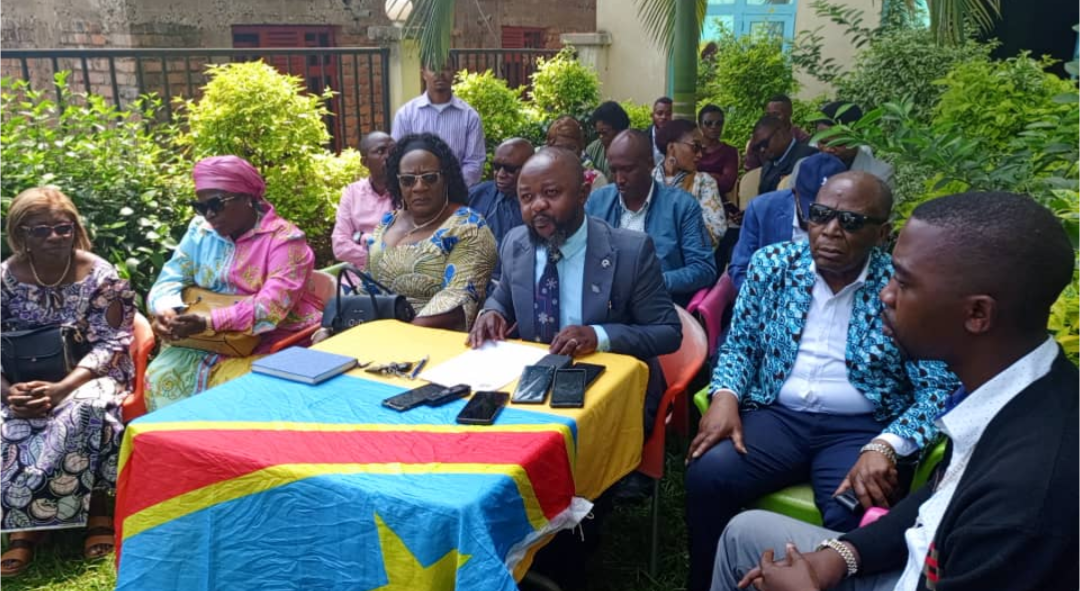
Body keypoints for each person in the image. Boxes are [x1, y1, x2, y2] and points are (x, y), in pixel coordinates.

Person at [711, 192, 1080, 591]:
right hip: (914, 558)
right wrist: (841, 555)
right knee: (744, 533)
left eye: (903, 282)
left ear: (977, 313)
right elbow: (936, 499)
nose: (885, 294)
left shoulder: (1027, 502)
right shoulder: (1008, 394)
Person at [684, 171, 959, 591]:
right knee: (708, 474)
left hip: (862, 429)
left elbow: (937, 389)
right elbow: (740, 345)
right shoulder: (772, 265)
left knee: (858, 506)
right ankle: (709, 581)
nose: (830, 230)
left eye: (850, 221)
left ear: (882, 233)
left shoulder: (899, 287)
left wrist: (887, 444)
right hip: (779, 416)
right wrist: (725, 395)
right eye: (820, 215)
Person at [467, 146, 680, 430]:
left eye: (551, 193)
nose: (537, 206)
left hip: (607, 386)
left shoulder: (630, 252)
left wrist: (598, 335)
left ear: (583, 194)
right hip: (531, 381)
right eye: (526, 197)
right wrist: (491, 313)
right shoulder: (516, 243)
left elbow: (668, 332)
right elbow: (503, 296)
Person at [0, 187, 135, 575]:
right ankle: (23, 526)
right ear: (21, 234)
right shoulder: (4, 279)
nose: (55, 237)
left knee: (87, 410)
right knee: (11, 420)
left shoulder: (101, 275)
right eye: (41, 230)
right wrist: (9, 393)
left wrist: (63, 388)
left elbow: (114, 340)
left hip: (90, 372)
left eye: (63, 228)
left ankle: (98, 512)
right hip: (20, 377)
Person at [144, 156, 323, 411]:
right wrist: (165, 308)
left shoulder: (286, 240)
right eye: (201, 206)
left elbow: (269, 308)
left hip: (273, 340)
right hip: (206, 341)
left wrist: (209, 322)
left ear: (247, 197)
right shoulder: (200, 231)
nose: (209, 215)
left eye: (216, 204)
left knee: (241, 395)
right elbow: (171, 278)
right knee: (160, 375)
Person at [366, 133, 497, 331]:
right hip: (375, 335)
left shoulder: (469, 227)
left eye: (429, 178)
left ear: (446, 179)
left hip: (434, 340)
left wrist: (398, 336)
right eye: (408, 180)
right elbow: (365, 286)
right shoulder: (387, 222)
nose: (419, 187)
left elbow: (457, 300)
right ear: (398, 183)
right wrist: (335, 322)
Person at [586, 130, 717, 306]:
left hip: (659, 307)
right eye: (613, 170)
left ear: (649, 164)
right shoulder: (598, 201)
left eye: (627, 169)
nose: (619, 179)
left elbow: (704, 269)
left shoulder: (681, 206)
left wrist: (652, 283)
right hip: (604, 306)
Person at [728, 153, 848, 290]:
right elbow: (741, 269)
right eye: (814, 212)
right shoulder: (762, 209)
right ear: (795, 193)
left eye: (829, 212)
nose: (820, 221)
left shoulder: (854, 221)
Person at [391, 60, 485, 187]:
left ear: (454, 72)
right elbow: (397, 157)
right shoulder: (406, 115)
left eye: (446, 68)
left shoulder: (469, 117)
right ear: (423, 73)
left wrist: (450, 188)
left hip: (456, 193)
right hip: (416, 191)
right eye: (433, 68)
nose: (440, 73)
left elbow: (474, 163)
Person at [652, 118, 728, 247]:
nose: (700, 155)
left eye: (702, 149)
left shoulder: (704, 182)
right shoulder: (649, 180)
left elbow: (717, 230)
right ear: (671, 147)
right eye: (695, 147)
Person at [789, 101, 894, 186]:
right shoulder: (803, 167)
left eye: (838, 143)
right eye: (823, 142)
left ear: (857, 137)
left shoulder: (880, 175)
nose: (828, 149)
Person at [332, 131, 395, 268]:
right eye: (381, 151)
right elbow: (339, 245)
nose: (389, 156)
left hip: (399, 274)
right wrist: (377, 258)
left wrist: (359, 238)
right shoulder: (352, 193)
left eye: (393, 150)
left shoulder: (408, 191)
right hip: (359, 275)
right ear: (365, 162)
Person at [467, 137, 534, 255]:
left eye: (509, 169)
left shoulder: (539, 204)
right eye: (497, 166)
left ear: (530, 168)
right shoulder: (476, 195)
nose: (501, 174)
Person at [750, 115, 818, 195]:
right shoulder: (768, 166)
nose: (762, 150)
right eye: (757, 147)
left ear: (780, 133)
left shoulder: (808, 157)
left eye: (765, 143)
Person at [744, 94, 811, 172]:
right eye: (768, 115)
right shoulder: (758, 140)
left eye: (776, 114)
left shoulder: (802, 139)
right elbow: (751, 171)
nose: (771, 119)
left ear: (790, 113)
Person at [546, 115, 608, 191]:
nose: (566, 154)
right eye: (559, 148)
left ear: (581, 148)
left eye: (571, 148)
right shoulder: (543, 178)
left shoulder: (596, 179)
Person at [697, 104, 739, 197]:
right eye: (708, 123)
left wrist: (699, 176)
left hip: (718, 199)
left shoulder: (729, 151)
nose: (714, 127)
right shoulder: (692, 149)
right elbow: (685, 177)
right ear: (700, 125)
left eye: (718, 123)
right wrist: (715, 176)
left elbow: (727, 183)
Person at [584, 101, 631, 179]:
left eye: (605, 133)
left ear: (619, 130)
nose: (601, 137)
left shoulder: (631, 151)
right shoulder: (592, 149)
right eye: (598, 133)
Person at [646, 96, 673, 165]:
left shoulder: (679, 138)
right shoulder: (643, 137)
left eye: (668, 114)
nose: (664, 117)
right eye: (659, 113)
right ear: (652, 115)